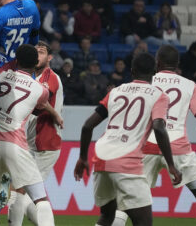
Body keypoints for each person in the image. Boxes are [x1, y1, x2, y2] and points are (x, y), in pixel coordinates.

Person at [111, 45, 196, 226]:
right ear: (177, 64)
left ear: (157, 62)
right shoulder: (190, 86)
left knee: (125, 203)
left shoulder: (146, 82)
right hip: (178, 148)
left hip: (145, 148)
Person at [74, 52, 182, 226]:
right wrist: (170, 164)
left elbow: (87, 126)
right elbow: (159, 128)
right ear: (155, 72)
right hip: (127, 162)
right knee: (144, 222)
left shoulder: (115, 91)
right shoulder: (159, 96)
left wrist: (82, 157)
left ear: (131, 71)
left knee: (107, 216)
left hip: (101, 158)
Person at [0, 44, 61, 226]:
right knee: (40, 199)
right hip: (16, 145)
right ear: (35, 64)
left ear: (16, 60)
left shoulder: (0, 75)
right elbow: (37, 110)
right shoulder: (41, 90)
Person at [8, 41, 64, 225]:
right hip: (30, 142)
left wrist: (55, 113)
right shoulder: (31, 79)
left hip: (45, 144)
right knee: (20, 191)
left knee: (22, 193)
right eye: (36, 52)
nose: (38, 55)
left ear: (49, 58)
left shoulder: (50, 77)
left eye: (42, 52)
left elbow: (42, 101)